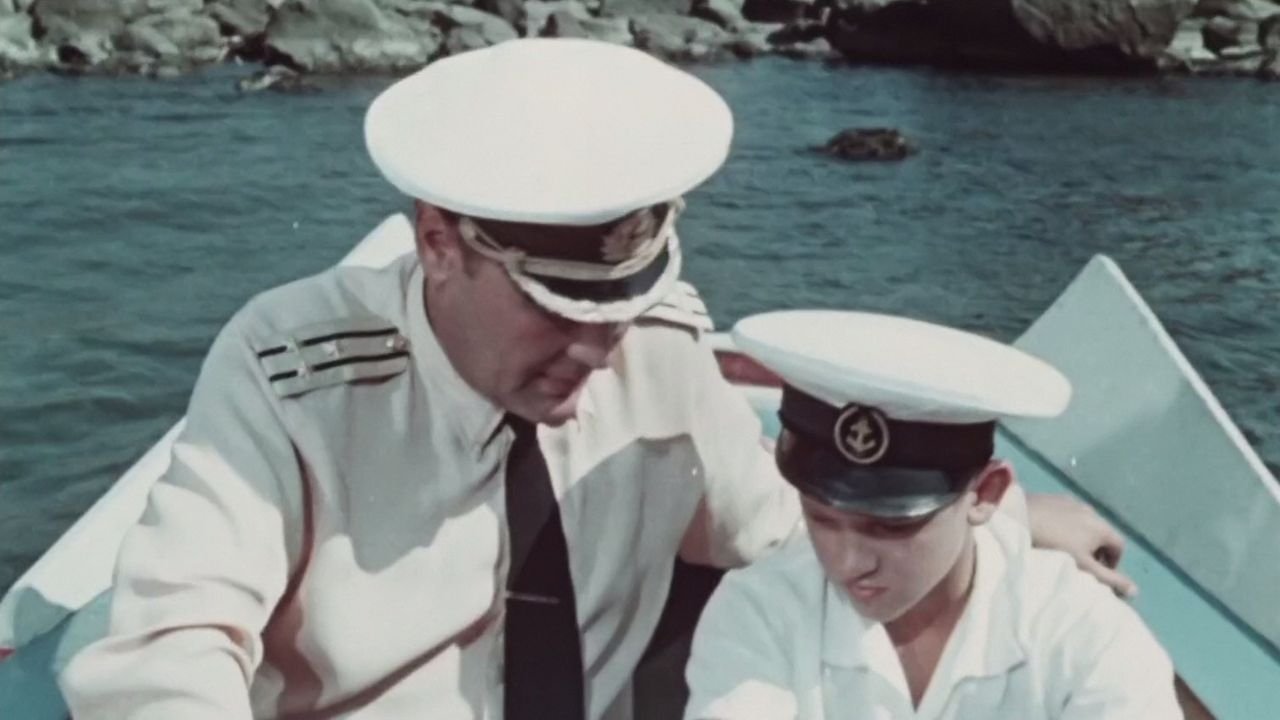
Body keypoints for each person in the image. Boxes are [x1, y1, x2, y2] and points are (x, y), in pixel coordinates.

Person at [59, 38, 1133, 719]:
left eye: (621, 307)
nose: (600, 351)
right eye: (557, 308)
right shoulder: (291, 372)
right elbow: (167, 654)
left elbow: (771, 526)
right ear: (438, 242)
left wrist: (998, 523)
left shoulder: (655, 345)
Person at [684, 310, 1181, 719]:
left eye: (891, 527)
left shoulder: (1081, 634)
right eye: (822, 519)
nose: (848, 562)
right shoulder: (759, 611)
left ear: (986, 493)